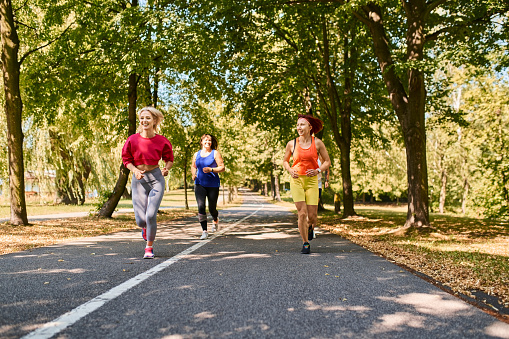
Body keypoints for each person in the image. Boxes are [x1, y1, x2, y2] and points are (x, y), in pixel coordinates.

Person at [122, 106, 174, 259]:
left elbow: (169, 159)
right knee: (140, 220)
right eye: (142, 118)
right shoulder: (132, 139)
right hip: (139, 179)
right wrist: (135, 170)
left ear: (155, 121)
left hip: (156, 178)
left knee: (151, 215)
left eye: (148, 118)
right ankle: (144, 228)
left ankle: (149, 247)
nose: (144, 120)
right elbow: (126, 160)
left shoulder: (162, 140)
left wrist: (166, 169)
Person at [283, 114, 330, 254]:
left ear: (310, 127)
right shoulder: (292, 144)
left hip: (312, 181)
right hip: (297, 180)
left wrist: (317, 170)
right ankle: (305, 243)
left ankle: (310, 228)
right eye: (297, 125)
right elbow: (285, 161)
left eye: (302, 124)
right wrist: (290, 170)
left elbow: (327, 162)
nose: (299, 127)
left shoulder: (318, 143)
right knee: (302, 213)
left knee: (312, 217)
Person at [191, 134, 225, 240]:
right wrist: (193, 174)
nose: (208, 142)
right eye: (205, 140)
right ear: (201, 142)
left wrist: (212, 169)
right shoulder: (196, 154)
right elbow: (193, 166)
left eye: (209, 140)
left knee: (212, 208)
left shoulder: (215, 153)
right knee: (201, 206)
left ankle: (215, 219)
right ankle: (204, 231)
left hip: (213, 184)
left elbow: (222, 167)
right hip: (199, 183)